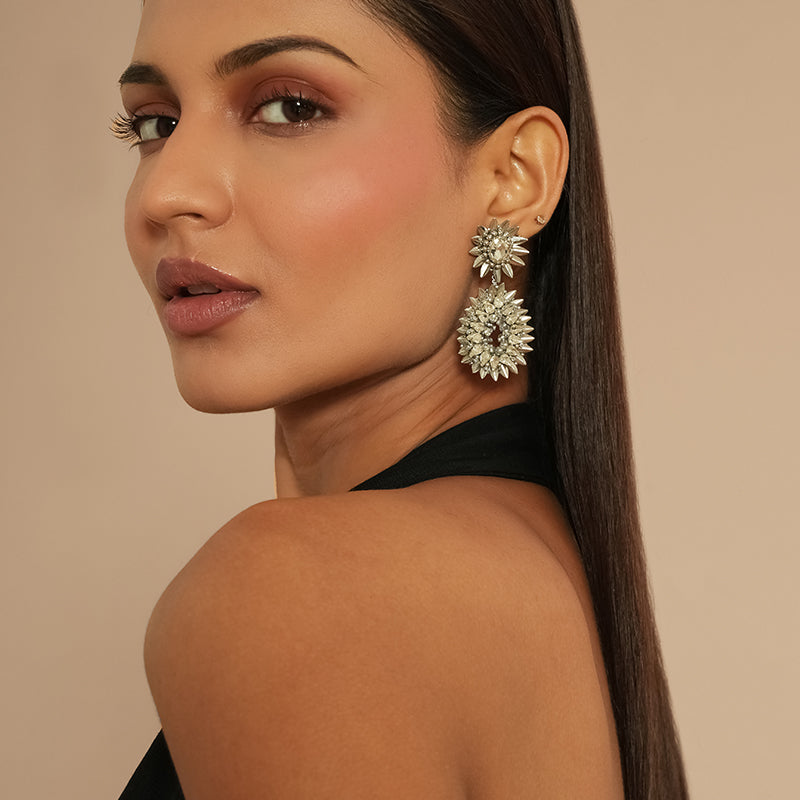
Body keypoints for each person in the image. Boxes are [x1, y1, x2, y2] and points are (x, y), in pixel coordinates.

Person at [114, 0, 688, 797]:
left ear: (513, 178)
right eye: (153, 124)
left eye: (291, 107)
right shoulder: (537, 563)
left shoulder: (298, 590)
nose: (166, 193)